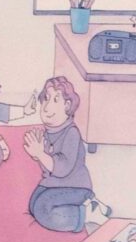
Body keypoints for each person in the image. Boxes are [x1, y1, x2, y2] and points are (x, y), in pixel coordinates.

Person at [20, 77, 98, 232]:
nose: (47, 107)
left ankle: (88, 214)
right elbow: (48, 168)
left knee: (43, 210)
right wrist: (38, 154)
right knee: (33, 205)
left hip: (75, 186)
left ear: (67, 105)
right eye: (46, 99)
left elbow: (62, 169)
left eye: (56, 100)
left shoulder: (71, 133)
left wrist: (40, 154)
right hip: (54, 184)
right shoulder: (48, 132)